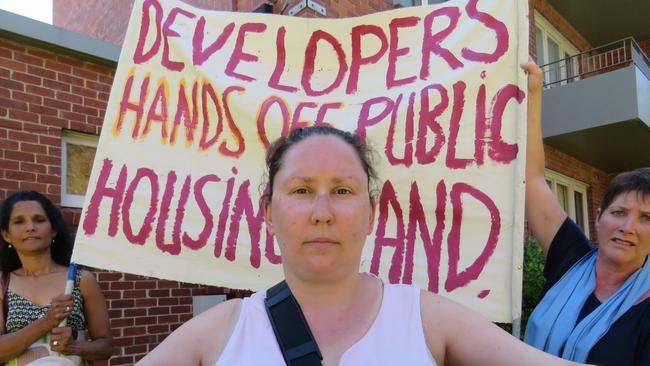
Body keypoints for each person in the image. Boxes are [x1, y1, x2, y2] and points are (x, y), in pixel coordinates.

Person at [138, 67, 586, 366]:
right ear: (268, 213)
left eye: (343, 191)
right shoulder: (217, 335)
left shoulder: (429, 319)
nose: (322, 213)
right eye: (300, 191)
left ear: (371, 214)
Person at [523, 61, 649, 365]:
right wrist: (534, 94)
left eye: (646, 218)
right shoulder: (570, 256)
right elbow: (533, 178)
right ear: (598, 218)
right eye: (619, 212)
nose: (628, 226)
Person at [0, 190, 113, 364]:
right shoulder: (2, 283)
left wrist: (74, 346)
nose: (30, 227)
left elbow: (106, 347)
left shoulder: (80, 279)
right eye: (19, 221)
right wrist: (47, 321)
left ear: (53, 230)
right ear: (6, 235)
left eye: (39, 220)